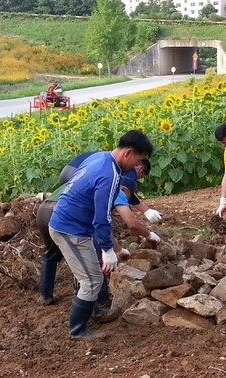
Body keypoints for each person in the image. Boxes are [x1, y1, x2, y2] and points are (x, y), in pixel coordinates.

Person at [48, 130, 154, 338]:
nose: (136, 166)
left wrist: (114, 247)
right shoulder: (110, 174)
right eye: (137, 160)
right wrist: (107, 249)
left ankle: (94, 310)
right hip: (69, 228)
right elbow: (102, 217)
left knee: (91, 273)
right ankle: (77, 328)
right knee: (92, 280)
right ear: (129, 152)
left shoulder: (100, 157)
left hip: (77, 225)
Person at [36, 166, 161, 307]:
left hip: (44, 211)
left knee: (51, 254)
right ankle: (101, 302)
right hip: (64, 213)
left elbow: (101, 227)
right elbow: (128, 223)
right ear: (125, 190)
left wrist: (118, 250)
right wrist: (149, 235)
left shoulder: (95, 179)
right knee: (93, 255)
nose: (125, 203)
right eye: (128, 199)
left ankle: (45, 296)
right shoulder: (117, 190)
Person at [59, 153, 162, 223]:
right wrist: (145, 211)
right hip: (77, 174)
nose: (136, 178)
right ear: (140, 167)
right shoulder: (131, 169)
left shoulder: (109, 156)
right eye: (140, 176)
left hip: (68, 172)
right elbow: (122, 191)